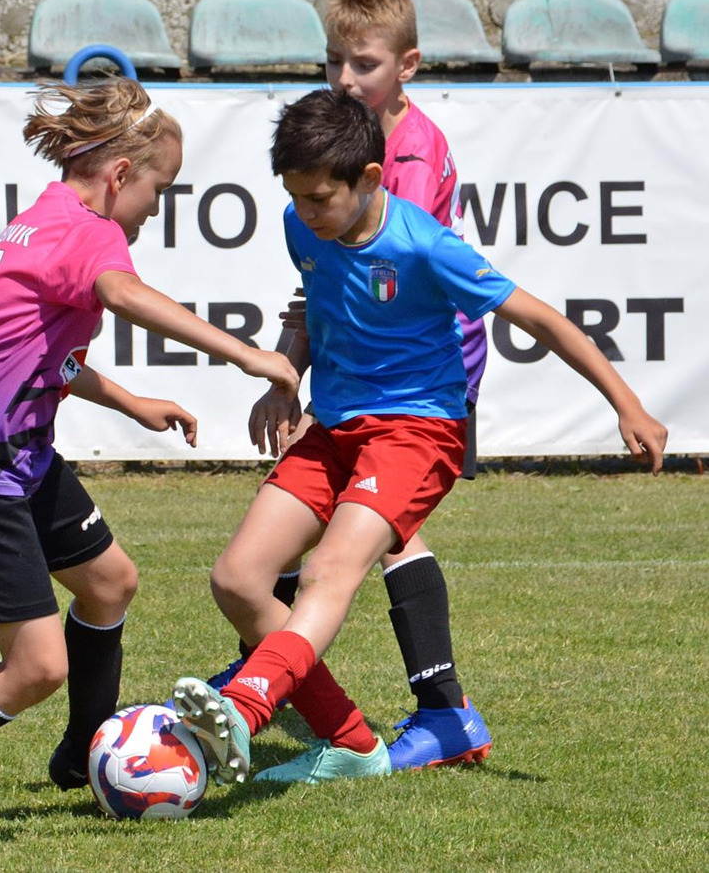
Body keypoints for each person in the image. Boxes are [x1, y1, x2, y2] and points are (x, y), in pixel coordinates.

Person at [0, 77, 298, 846]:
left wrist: (132, 402)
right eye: (159, 191)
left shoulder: (43, 219)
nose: (156, 209)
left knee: (110, 581)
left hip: (15, 455)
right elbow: (125, 294)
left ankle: (85, 751)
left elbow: (38, 352)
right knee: (36, 666)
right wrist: (249, 355)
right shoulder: (91, 232)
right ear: (121, 175)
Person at [171, 88, 666, 787]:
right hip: (333, 428)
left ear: (369, 178)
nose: (305, 213)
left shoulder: (426, 246)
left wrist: (627, 403)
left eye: (318, 198)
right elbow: (314, 302)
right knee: (238, 580)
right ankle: (351, 742)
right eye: (295, 197)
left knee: (326, 572)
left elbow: (542, 320)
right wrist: (284, 378)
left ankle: (249, 703)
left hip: (416, 431)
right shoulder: (300, 226)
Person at [201, 0, 495, 772]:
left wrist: (310, 381)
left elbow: (386, 278)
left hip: (416, 376)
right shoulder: (339, 149)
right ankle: (413, 705)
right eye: (334, 61)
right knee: (355, 530)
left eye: (364, 64)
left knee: (362, 538)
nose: (344, 78)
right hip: (359, 373)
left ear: (407, 66)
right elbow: (326, 284)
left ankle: (282, 678)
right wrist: (289, 371)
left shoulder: (408, 159)